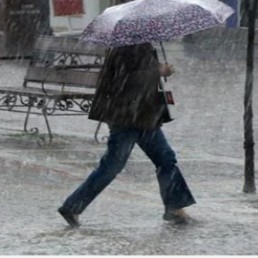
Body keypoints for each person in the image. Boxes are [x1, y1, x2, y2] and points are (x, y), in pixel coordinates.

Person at [58, 43, 195, 227]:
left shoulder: (136, 44)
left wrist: (158, 69)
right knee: (112, 166)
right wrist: (158, 71)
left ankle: (175, 208)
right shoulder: (126, 46)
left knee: (165, 158)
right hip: (128, 117)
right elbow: (127, 80)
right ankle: (73, 206)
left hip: (143, 116)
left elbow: (136, 73)